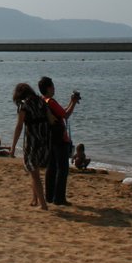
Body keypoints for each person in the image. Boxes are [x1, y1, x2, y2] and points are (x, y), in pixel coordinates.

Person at [10, 82, 51, 210]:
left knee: (34, 173)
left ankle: (43, 205)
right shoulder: (41, 101)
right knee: (35, 170)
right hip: (45, 141)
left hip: (33, 141)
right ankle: (35, 199)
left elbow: (19, 126)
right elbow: (50, 119)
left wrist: (13, 147)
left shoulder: (24, 105)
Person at [40, 77, 79, 206]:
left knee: (51, 168)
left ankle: (50, 196)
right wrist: (73, 102)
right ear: (48, 88)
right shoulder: (50, 101)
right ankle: (59, 198)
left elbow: (61, 112)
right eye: (52, 86)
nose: (54, 88)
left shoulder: (42, 101)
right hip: (59, 138)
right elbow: (66, 115)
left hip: (50, 138)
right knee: (62, 169)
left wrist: (70, 102)